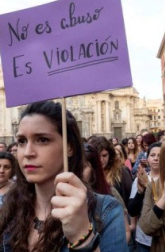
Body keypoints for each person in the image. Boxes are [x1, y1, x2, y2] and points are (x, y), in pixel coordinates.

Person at [0, 100, 128, 251]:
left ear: (70, 147)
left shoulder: (106, 212)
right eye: (21, 141)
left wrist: (82, 237)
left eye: (42, 140)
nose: (28, 152)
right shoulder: (7, 205)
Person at [128, 142, 161, 252]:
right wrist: (140, 192)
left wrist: (149, 187)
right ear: (147, 158)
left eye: (160, 155)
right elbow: (132, 210)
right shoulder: (140, 178)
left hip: (163, 237)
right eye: (152, 155)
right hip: (143, 239)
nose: (156, 159)